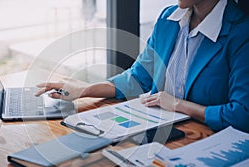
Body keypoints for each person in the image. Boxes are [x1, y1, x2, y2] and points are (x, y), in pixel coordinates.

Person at [36, 0, 249, 132]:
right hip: (158, 131)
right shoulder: (168, 18)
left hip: (206, 141)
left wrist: (178, 105)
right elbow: (138, 78)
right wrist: (85, 90)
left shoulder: (241, 32)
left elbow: (242, 115)